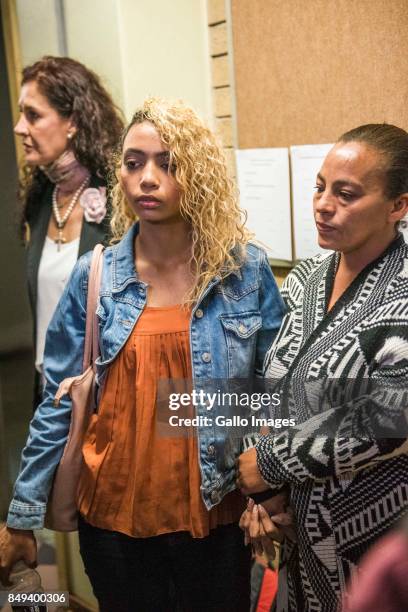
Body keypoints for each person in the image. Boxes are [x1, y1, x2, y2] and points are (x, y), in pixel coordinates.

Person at [1, 98, 286, 611]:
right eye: (133, 163)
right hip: (112, 520)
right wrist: (21, 516)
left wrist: (268, 484)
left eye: (167, 163)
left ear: (197, 173)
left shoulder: (245, 273)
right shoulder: (96, 275)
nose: (146, 179)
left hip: (216, 515)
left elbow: (272, 392)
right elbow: (58, 402)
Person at [237, 123, 408, 611]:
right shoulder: (307, 276)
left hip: (374, 536)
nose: (323, 204)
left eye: (346, 193)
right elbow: (268, 382)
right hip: (296, 537)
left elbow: (391, 417)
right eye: (320, 187)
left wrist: (270, 464)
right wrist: (265, 493)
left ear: (398, 205)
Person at [14, 55, 124, 408]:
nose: (19, 127)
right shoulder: (40, 197)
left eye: (33, 115)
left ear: (72, 122)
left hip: (104, 398)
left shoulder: (120, 196)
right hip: (48, 395)